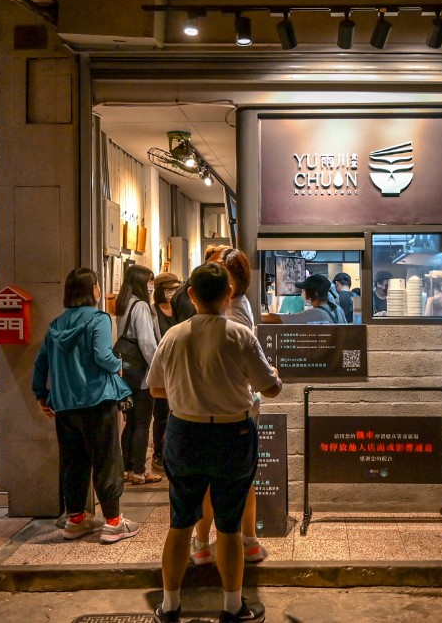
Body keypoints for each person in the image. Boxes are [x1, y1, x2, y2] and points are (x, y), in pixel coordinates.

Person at [148, 263, 282, 623]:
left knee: (180, 523)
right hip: (232, 436)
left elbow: (157, 388)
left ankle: (170, 605)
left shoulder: (174, 335)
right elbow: (269, 387)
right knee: (229, 525)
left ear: (190, 295)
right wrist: (275, 378)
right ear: (228, 295)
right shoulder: (240, 336)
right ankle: (233, 606)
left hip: (184, 433)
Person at [32, 267, 142, 544]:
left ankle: (76, 519)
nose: (98, 288)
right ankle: (114, 522)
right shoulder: (99, 319)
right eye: (96, 284)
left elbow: (41, 363)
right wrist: (118, 366)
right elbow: (103, 354)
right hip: (97, 401)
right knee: (106, 460)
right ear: (91, 289)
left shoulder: (56, 325)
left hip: (64, 404)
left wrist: (40, 396)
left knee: (73, 463)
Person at [191, 248, 269, 566]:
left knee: (209, 482)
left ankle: (203, 543)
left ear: (228, 288)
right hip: (243, 408)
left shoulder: (228, 319)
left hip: (219, 409)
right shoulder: (241, 306)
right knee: (242, 479)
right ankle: (247, 542)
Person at [114, 264, 162, 485]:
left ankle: (127, 468)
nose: (151, 285)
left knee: (130, 422)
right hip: (142, 372)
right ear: (142, 282)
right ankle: (140, 472)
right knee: (143, 423)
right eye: (149, 280)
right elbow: (147, 342)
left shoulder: (123, 304)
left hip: (126, 372)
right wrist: (158, 369)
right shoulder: (141, 306)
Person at [149, 272, 182, 475]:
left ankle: (173, 451)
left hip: (179, 366)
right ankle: (158, 454)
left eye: (175, 288)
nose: (172, 292)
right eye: (169, 288)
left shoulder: (179, 309)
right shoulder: (153, 312)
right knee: (160, 413)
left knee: (176, 410)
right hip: (162, 366)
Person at [261, 273, 346, 324]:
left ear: (315, 293)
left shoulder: (316, 313)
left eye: (305, 289)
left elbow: (280, 319)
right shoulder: (338, 309)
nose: (303, 291)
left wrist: (259, 315)